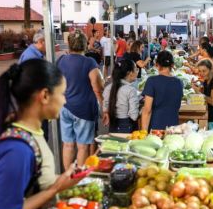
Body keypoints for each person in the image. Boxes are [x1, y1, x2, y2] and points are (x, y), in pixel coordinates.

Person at [0, 59, 81, 209]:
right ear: (44, 96)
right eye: (62, 93)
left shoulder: (26, 131)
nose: (64, 101)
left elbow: (32, 182)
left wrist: (64, 181)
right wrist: (55, 189)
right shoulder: (17, 150)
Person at [57, 30, 104, 170]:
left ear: (69, 44)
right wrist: (103, 106)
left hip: (64, 107)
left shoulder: (61, 60)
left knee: (67, 144)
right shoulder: (89, 62)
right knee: (82, 146)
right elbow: (98, 86)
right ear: (84, 45)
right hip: (84, 109)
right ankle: (79, 179)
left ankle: (67, 176)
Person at [18, 30, 49, 141]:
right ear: (41, 41)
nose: (50, 46)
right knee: (39, 139)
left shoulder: (33, 54)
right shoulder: (31, 57)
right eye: (48, 42)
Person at [141, 50, 183, 130]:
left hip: (156, 128)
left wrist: (144, 132)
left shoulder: (152, 81)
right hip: (173, 128)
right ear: (172, 65)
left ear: (157, 64)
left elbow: (147, 110)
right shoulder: (179, 82)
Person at [102, 60, 139, 133]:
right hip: (127, 127)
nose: (137, 71)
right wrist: (142, 110)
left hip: (113, 126)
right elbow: (134, 116)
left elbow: (105, 107)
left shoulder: (108, 88)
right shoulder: (131, 90)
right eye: (136, 69)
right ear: (130, 73)